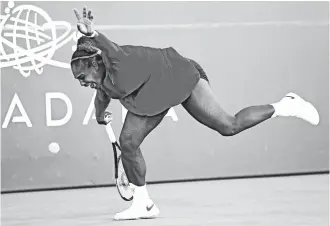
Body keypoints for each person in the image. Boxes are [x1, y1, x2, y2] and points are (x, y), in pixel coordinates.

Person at [71, 7, 320, 221]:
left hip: (178, 75)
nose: (81, 82)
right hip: (153, 91)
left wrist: (92, 34)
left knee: (228, 126)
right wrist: (99, 115)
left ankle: (286, 105)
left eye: (82, 77)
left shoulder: (116, 59)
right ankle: (143, 204)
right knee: (129, 142)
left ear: (96, 63)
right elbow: (102, 97)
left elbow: (109, 47)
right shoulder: (102, 82)